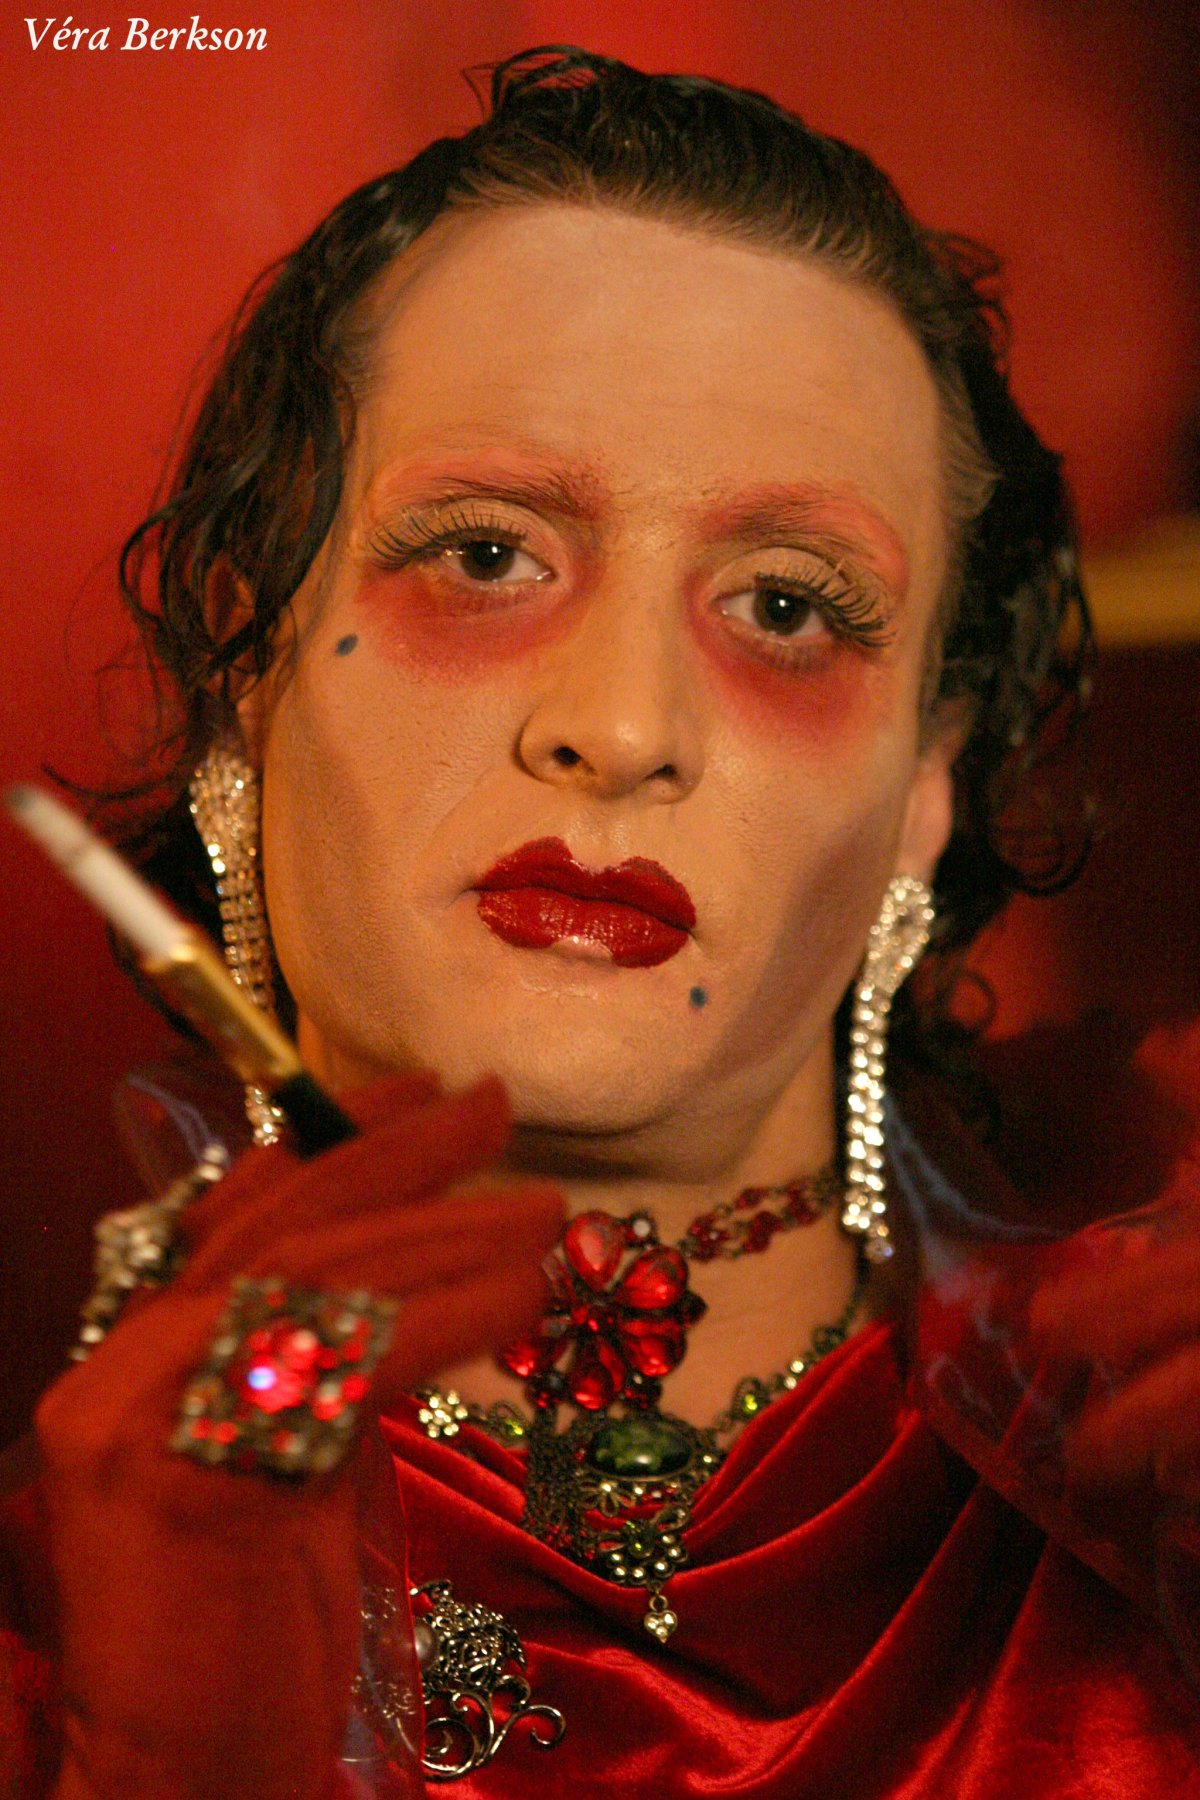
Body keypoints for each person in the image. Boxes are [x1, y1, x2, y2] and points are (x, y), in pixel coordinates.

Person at [3, 44, 1200, 1799]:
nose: (626, 727)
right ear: (245, 679)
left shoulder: (1145, 1461)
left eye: (786, 606)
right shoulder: (57, 1639)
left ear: (925, 785)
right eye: (488, 556)